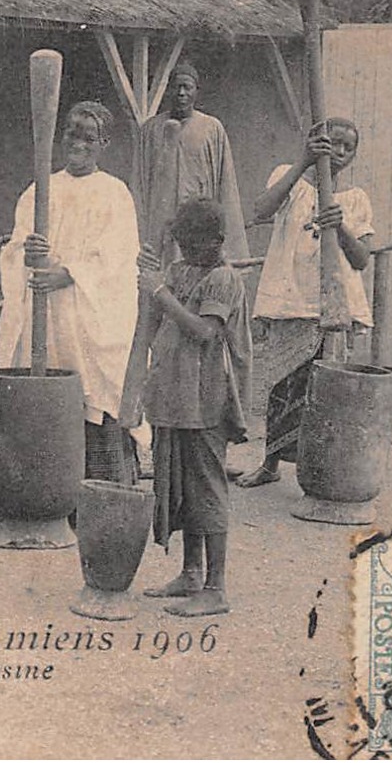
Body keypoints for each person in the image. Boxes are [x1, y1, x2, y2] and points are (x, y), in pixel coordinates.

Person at [0, 101, 141, 483]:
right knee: (46, 394)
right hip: (46, 310)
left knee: (94, 392)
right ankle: (45, 485)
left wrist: (70, 273)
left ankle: (105, 481)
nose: (79, 144)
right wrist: (27, 253)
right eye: (72, 134)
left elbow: (118, 256)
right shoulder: (40, 189)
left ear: (104, 144)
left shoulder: (114, 193)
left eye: (88, 137)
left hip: (86, 312)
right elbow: (15, 248)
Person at [238, 119, 374, 489]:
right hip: (290, 301)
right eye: (334, 143)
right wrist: (303, 161)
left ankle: (320, 467)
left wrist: (340, 226)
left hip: (331, 309)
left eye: (349, 147)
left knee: (325, 393)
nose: (340, 152)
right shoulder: (290, 179)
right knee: (281, 386)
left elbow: (361, 259)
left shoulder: (355, 199)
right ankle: (270, 463)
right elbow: (261, 210)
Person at [138, 199, 250, 618]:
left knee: (207, 485)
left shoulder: (224, 279)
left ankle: (216, 587)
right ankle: (190, 572)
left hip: (207, 398)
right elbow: (154, 314)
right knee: (183, 485)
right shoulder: (181, 269)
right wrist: (153, 282)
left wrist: (160, 293)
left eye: (196, 244)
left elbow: (204, 331)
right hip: (174, 395)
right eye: (182, 244)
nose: (188, 252)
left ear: (217, 242)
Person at [134, 62, 250, 272]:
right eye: (176, 87)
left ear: (196, 91)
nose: (181, 93)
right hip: (161, 228)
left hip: (199, 225)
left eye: (187, 87)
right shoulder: (150, 130)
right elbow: (140, 185)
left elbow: (226, 185)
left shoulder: (211, 128)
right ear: (168, 89)